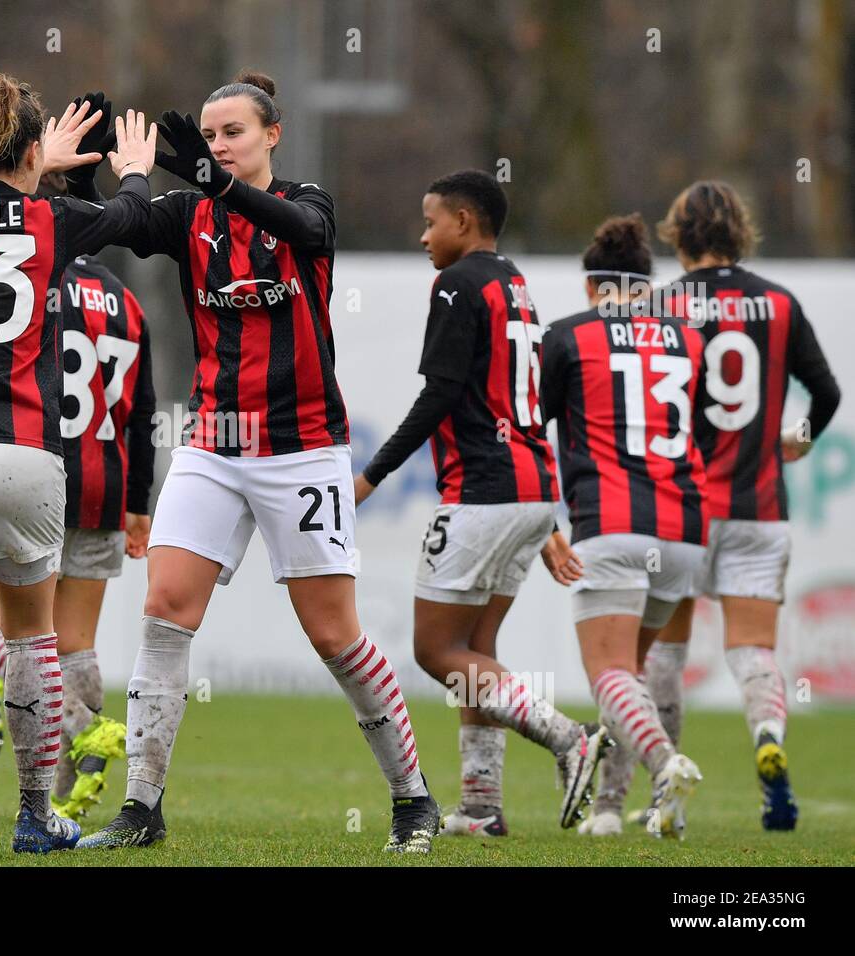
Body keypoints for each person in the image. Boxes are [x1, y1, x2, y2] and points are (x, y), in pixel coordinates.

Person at [78, 71, 442, 854]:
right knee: (165, 609)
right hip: (214, 442)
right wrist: (81, 171)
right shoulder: (190, 214)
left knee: (334, 636)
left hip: (302, 449)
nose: (218, 148)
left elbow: (301, 231)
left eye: (233, 132)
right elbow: (121, 224)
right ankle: (142, 809)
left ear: (272, 134)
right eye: (209, 137)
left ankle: (412, 797)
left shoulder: (309, 203)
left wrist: (219, 184)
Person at [0, 72, 157, 856]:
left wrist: (33, 163)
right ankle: (36, 813)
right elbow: (131, 216)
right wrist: (135, 167)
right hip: (24, 455)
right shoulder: (51, 219)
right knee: (32, 641)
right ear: (34, 150)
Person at [355, 169, 610, 836]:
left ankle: (569, 738)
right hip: (529, 487)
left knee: (437, 652)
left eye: (431, 220)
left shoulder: (457, 284)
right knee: (477, 646)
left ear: (464, 223)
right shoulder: (512, 282)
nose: (422, 235)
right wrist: (546, 519)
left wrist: (369, 476)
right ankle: (480, 803)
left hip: (482, 491)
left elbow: (438, 396)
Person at [645, 182, 841, 831]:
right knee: (753, 650)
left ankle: (666, 788)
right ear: (740, 230)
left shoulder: (662, 304)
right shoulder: (779, 304)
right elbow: (827, 392)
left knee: (665, 655)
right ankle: (767, 740)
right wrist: (800, 440)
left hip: (684, 507)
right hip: (760, 506)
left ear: (681, 235)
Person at [0, 169, 157, 823]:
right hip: (105, 482)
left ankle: (78, 726)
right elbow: (145, 414)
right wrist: (139, 502)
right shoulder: (125, 301)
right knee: (75, 642)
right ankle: (66, 795)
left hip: (40, 471)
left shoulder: (33, 281)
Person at [537, 214, 709, 838]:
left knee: (609, 675)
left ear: (593, 288)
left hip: (612, 523)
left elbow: (529, 433)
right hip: (685, 531)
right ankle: (610, 809)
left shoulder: (566, 337)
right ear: (649, 288)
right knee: (627, 681)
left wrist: (541, 523)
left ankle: (667, 767)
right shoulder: (690, 340)